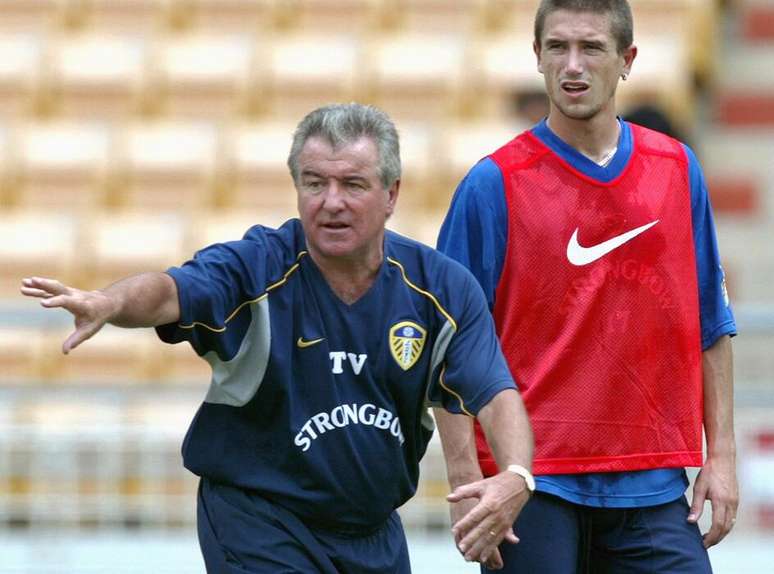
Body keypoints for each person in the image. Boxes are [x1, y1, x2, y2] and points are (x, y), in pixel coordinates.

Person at [21, 103, 533, 573]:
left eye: (353, 185)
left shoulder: (439, 289)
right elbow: (169, 292)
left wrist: (515, 474)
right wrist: (111, 304)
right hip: (258, 520)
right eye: (314, 183)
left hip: (372, 529)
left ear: (392, 194)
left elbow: (494, 393)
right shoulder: (255, 266)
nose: (331, 202)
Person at [435, 0, 739, 572]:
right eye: (558, 48)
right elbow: (446, 346)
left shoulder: (676, 169)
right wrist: (465, 476)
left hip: (651, 482)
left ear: (626, 60)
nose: (573, 65)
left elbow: (711, 322)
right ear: (538, 57)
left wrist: (719, 455)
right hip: (531, 483)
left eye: (591, 48)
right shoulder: (492, 184)